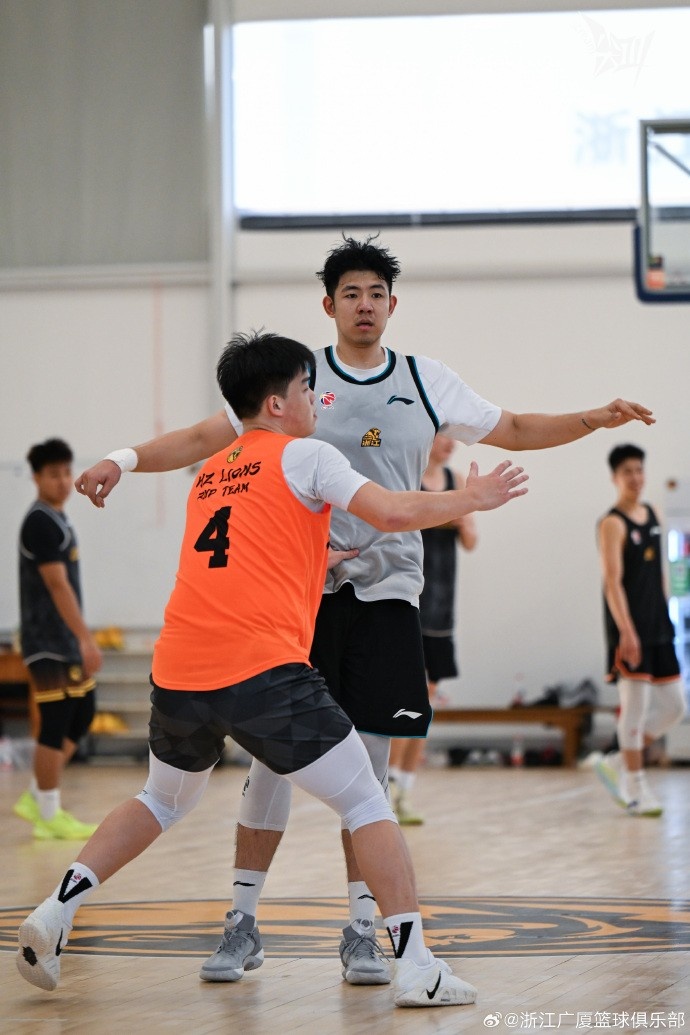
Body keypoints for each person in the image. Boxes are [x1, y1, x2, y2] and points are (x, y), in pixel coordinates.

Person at [74, 236, 654, 986]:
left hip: (386, 594)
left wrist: (594, 418)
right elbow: (196, 438)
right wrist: (121, 459)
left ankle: (361, 931)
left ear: (392, 303)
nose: (365, 304)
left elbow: (515, 427)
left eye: (377, 292)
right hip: (299, 600)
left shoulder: (425, 380)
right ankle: (242, 921)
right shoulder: (294, 384)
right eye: (351, 292)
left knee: (368, 771)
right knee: (269, 767)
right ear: (329, 305)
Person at [17, 331, 529, 1009]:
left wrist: (321, 558)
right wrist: (473, 498)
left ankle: (55, 910)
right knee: (366, 801)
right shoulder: (308, 455)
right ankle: (417, 966)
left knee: (161, 799)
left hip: (179, 672)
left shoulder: (213, 472)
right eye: (306, 387)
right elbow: (391, 510)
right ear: (278, 403)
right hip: (260, 670)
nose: (317, 399)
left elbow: (247, 556)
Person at [13, 438, 102, 840]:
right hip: (48, 641)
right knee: (55, 721)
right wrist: (85, 638)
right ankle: (47, 812)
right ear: (36, 478)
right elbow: (56, 584)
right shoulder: (40, 522)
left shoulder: (57, 519)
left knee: (83, 712)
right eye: (54, 474)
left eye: (67, 472)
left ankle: (38, 795)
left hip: (64, 639)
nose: (63, 481)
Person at [388, 433, 477, 826]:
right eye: (444, 435)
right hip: (408, 604)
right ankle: (388, 785)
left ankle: (404, 787)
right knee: (404, 702)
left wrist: (458, 516)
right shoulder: (409, 478)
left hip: (442, 610)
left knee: (424, 706)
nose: (451, 443)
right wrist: (443, 514)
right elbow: (396, 523)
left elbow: (471, 538)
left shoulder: (457, 482)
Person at [595, 444, 686, 817]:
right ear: (615, 477)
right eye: (627, 471)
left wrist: (666, 613)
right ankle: (635, 788)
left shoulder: (654, 514)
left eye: (639, 470)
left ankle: (618, 760)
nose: (635, 477)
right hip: (629, 629)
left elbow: (657, 572)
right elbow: (612, 583)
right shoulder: (612, 523)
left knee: (675, 708)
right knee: (635, 708)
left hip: (659, 625)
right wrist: (626, 632)